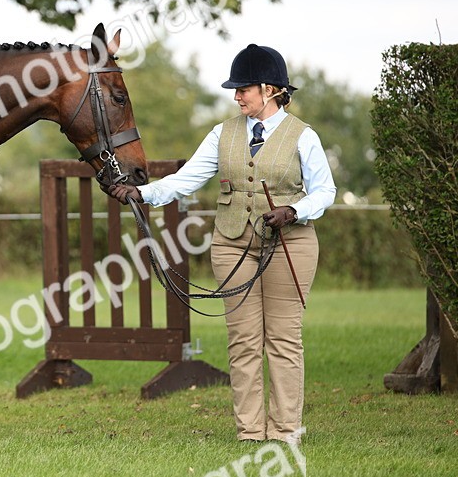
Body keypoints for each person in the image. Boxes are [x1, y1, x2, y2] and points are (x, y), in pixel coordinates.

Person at [107, 44, 335, 444]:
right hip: (232, 243)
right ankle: (251, 430)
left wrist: (293, 211)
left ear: (269, 89)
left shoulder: (304, 136)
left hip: (290, 244)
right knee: (243, 340)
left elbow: (325, 191)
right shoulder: (222, 133)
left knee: (283, 339)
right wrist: (143, 193)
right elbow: (188, 179)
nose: (236, 97)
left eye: (243, 89)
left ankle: (285, 430)